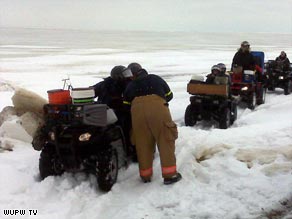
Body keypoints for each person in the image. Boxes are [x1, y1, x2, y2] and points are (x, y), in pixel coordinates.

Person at [124, 64, 182, 185]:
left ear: (133, 74)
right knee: (165, 139)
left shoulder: (130, 85)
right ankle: (170, 175)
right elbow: (169, 95)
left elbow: (126, 105)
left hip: (137, 113)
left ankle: (145, 176)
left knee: (142, 143)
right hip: (158, 109)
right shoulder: (155, 79)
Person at [92, 65, 134, 158]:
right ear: (118, 76)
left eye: (128, 73)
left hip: (110, 112)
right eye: (125, 74)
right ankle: (129, 149)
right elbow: (91, 91)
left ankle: (129, 147)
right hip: (111, 112)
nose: (128, 76)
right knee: (126, 127)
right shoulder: (106, 84)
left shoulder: (128, 84)